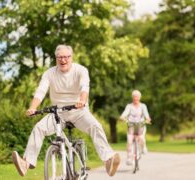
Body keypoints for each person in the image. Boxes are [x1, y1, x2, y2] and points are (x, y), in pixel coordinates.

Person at [12, 44, 120, 177]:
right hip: (58, 113)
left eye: (66, 57)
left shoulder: (81, 70)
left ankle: (108, 160)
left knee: (95, 126)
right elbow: (40, 91)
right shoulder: (49, 73)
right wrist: (33, 107)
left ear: (71, 57)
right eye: (60, 57)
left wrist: (82, 100)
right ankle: (26, 163)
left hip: (79, 111)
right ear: (56, 58)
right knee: (38, 128)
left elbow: (84, 87)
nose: (63, 60)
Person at [120, 90, 151, 166]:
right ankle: (129, 158)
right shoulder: (129, 106)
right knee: (129, 141)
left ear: (139, 98)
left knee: (141, 137)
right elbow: (125, 113)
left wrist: (147, 119)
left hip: (141, 125)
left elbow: (147, 115)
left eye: (137, 97)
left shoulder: (143, 106)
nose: (136, 99)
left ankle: (143, 147)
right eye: (134, 97)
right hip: (131, 126)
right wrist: (122, 117)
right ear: (132, 98)